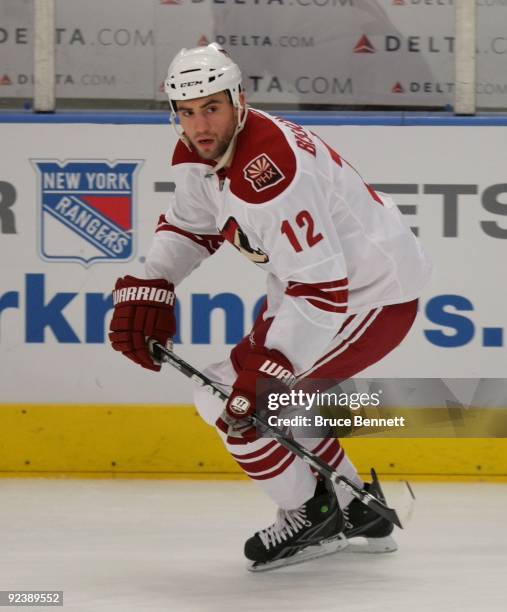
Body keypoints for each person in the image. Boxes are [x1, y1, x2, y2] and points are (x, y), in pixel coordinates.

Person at [109, 43, 431, 571]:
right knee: (254, 398)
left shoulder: (271, 171)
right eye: (187, 112)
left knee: (233, 404)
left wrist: (273, 368)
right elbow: (192, 225)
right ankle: (355, 506)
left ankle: (311, 512)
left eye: (211, 107)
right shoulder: (206, 149)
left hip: (366, 298)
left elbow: (323, 288)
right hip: (315, 290)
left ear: (239, 100)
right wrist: (151, 284)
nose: (199, 124)